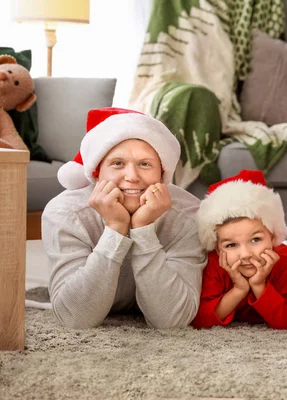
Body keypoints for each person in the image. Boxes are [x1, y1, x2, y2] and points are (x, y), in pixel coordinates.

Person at [42, 107, 205, 329]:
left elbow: (172, 321)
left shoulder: (188, 216)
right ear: (97, 172)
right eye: (117, 163)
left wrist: (143, 230)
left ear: (162, 174)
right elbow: (74, 319)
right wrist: (115, 228)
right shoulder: (65, 213)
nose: (132, 177)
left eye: (145, 164)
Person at [191, 170, 287, 330]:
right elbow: (200, 320)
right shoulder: (215, 263)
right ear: (217, 248)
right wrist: (239, 290)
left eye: (256, 240)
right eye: (231, 245)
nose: (245, 255)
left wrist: (259, 285)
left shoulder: (285, 261)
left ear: (273, 237)